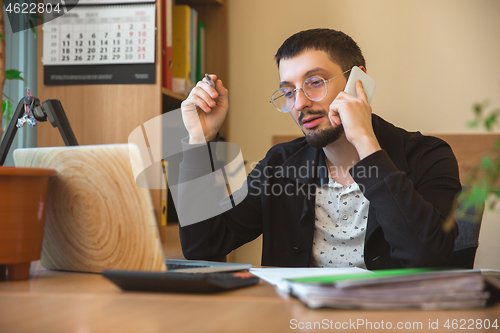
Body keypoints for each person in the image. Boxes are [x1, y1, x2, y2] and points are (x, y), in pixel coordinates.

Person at [179, 28, 461, 269]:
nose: (299, 103)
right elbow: (202, 246)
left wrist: (365, 142)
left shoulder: (428, 156)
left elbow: (429, 259)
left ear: (357, 82)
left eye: (314, 83)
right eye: (289, 92)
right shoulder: (279, 165)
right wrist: (199, 139)